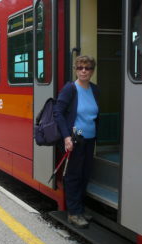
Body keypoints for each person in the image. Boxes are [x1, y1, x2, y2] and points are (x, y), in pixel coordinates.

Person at [53, 55, 99, 228]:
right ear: (76, 70)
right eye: (80, 67)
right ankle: (73, 212)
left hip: (90, 139)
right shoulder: (70, 89)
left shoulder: (95, 90)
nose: (84, 71)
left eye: (87, 68)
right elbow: (58, 112)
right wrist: (66, 137)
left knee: (85, 175)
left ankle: (80, 209)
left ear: (92, 71)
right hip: (75, 140)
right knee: (73, 176)